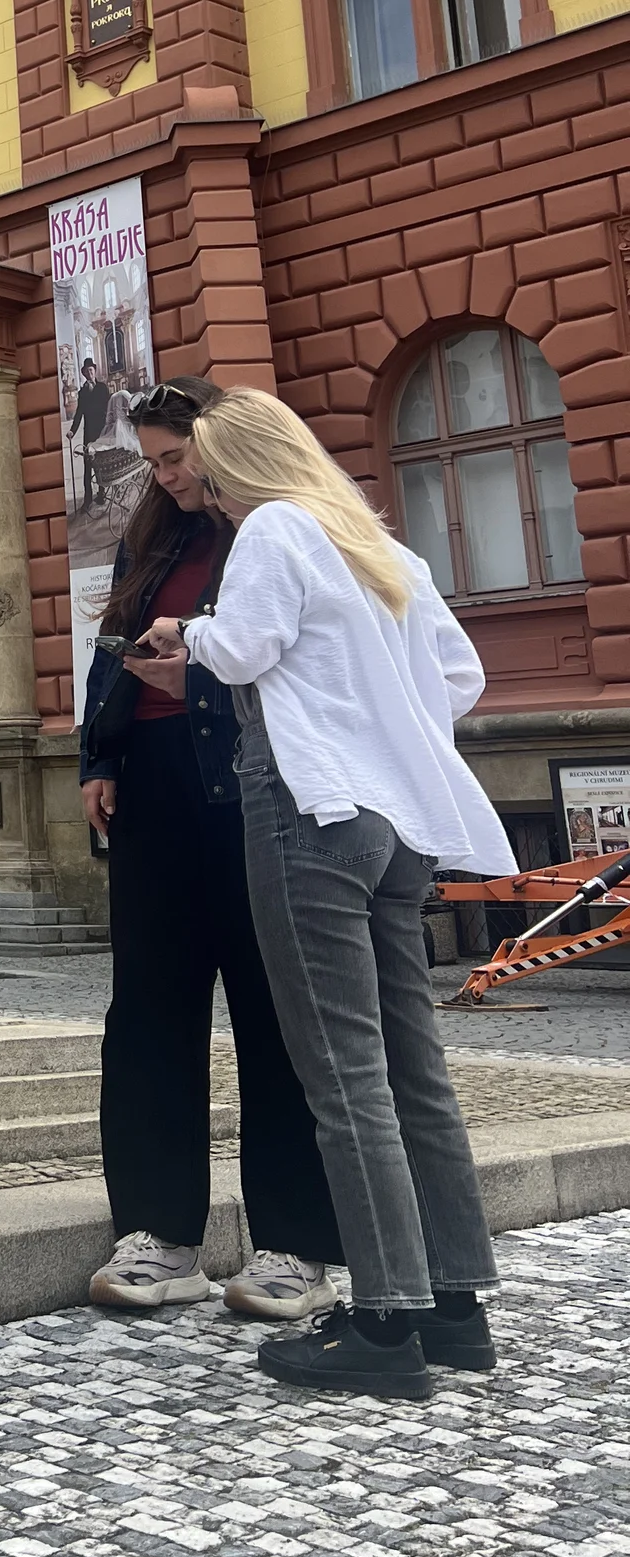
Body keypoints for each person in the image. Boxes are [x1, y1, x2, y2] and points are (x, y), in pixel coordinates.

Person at [146, 386, 513, 1399]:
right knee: (412, 1070)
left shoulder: (272, 528)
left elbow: (248, 647)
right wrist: (382, 722)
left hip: (309, 811)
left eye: (210, 477)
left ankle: (384, 1322)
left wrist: (188, 632)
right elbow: (459, 676)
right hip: (400, 826)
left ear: (244, 467)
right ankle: (453, 1308)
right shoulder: (382, 550)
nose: (207, 497)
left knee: (343, 1076)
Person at [80, 376, 343, 1321]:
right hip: (153, 782)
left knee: (276, 1005)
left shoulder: (279, 529)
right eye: (155, 462)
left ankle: (297, 1245)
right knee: (148, 1006)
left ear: (221, 441)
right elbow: (112, 646)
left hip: (255, 779)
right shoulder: (153, 536)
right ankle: (159, 1234)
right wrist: (100, 753)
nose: (168, 476)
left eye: (176, 457)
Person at [67, 359, 110, 510]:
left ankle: (101, 494)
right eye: (87, 371)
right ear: (84, 373)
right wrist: (73, 429)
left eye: (91, 370)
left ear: (95, 371)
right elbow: (79, 413)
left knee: (101, 465)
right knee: (87, 466)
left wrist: (109, 427)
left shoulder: (102, 388)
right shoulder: (82, 392)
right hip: (88, 434)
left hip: (101, 433)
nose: (90, 373)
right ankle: (87, 500)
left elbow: (109, 408)